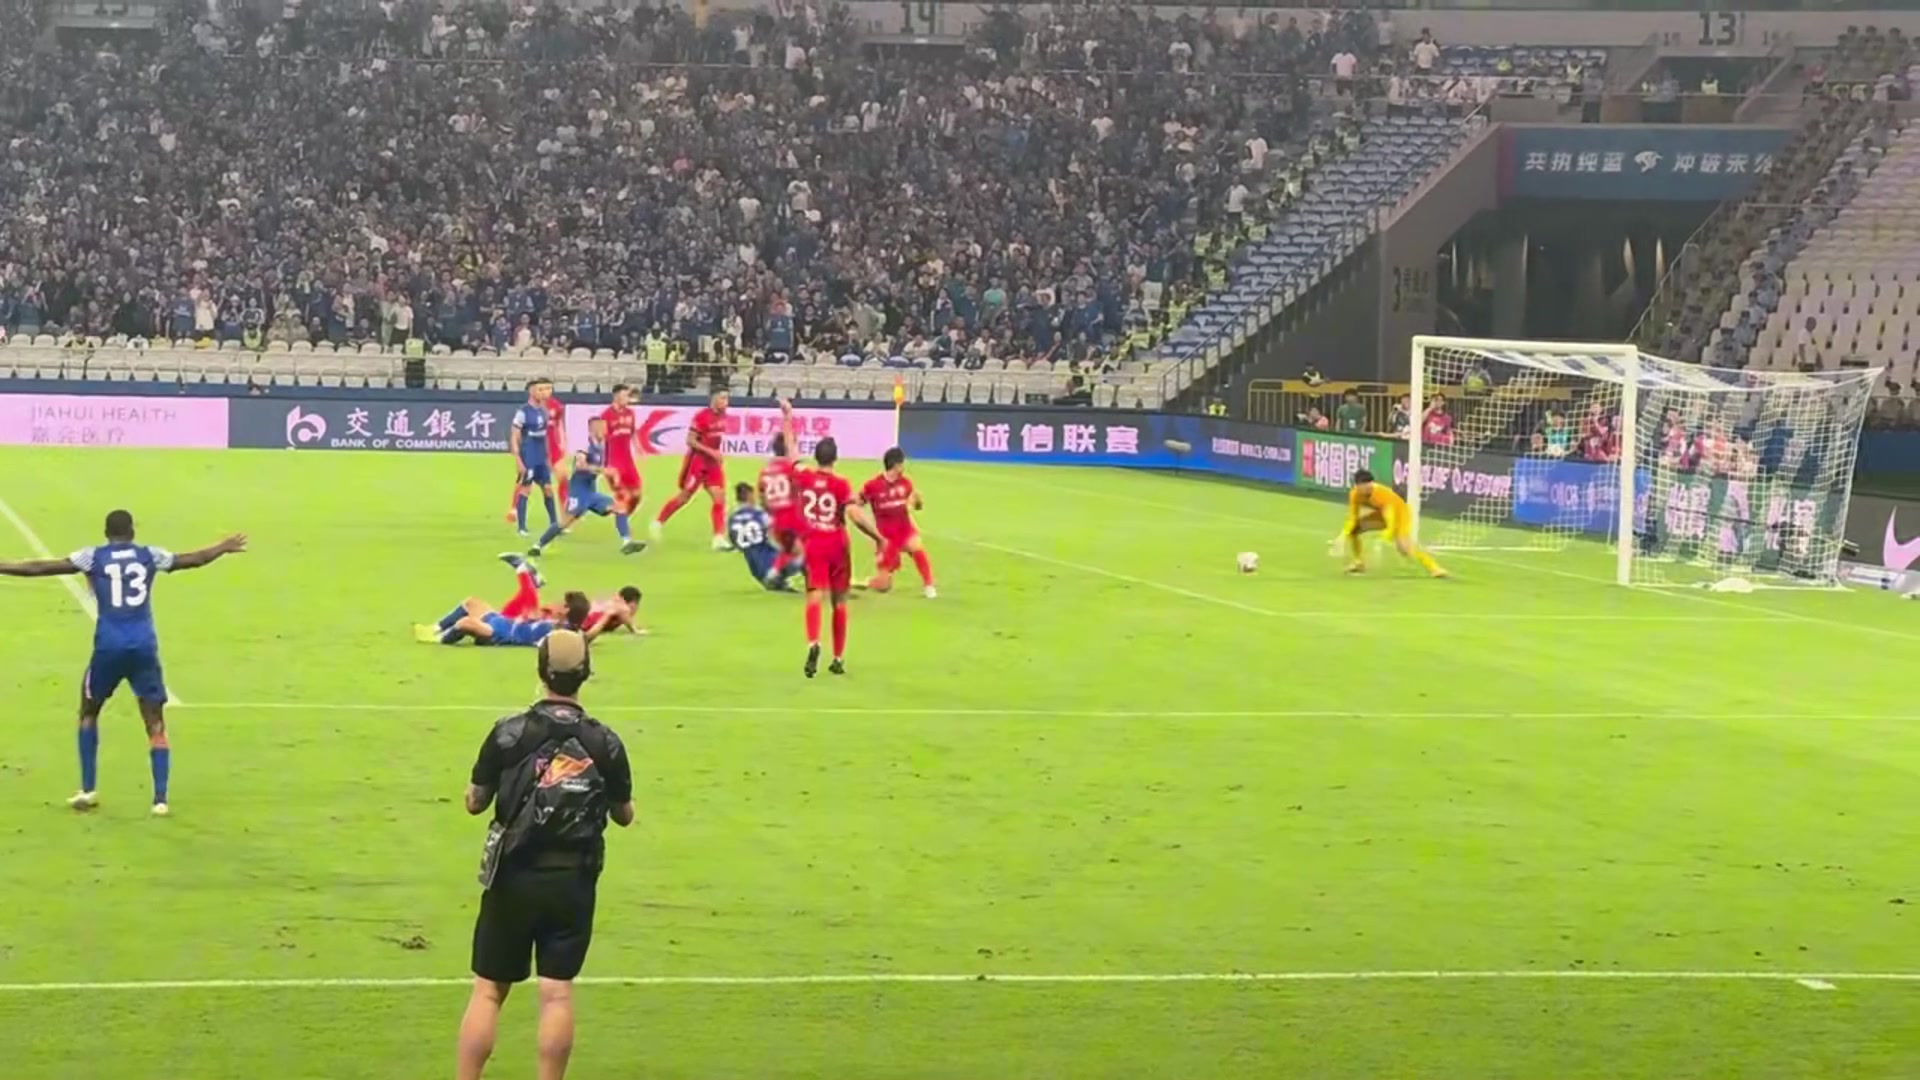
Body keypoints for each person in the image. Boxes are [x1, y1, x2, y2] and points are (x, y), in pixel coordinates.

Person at [456, 629, 633, 1080]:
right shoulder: (605, 742)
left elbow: (475, 802)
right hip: (573, 880)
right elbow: (624, 814)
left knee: (488, 991)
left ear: (541, 671)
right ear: (585, 675)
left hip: (513, 876)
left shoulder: (509, 733)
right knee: (557, 994)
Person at [0, 510, 246, 815]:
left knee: (89, 711)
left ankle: (88, 789)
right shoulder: (149, 555)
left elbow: (40, 568)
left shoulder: (92, 557)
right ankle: (160, 800)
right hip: (144, 645)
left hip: (109, 647)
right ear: (132, 531)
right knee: (154, 721)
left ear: (106, 533)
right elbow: (192, 560)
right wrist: (223, 547)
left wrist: (2, 565)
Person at [796, 437, 880, 677]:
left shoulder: (805, 478)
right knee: (839, 602)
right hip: (836, 544)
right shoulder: (841, 485)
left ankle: (814, 642)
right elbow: (854, 514)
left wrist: (788, 422)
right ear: (835, 458)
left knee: (814, 594)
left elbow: (793, 458)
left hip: (813, 543)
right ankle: (838, 658)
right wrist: (877, 537)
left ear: (816, 456)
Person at [531, 417, 642, 557]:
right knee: (564, 523)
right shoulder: (585, 447)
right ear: (592, 430)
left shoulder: (601, 448)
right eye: (600, 428)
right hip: (578, 493)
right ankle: (538, 546)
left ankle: (626, 543)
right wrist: (603, 470)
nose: (603, 431)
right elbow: (580, 466)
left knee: (620, 508)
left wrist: (613, 478)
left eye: (604, 428)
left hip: (592, 493)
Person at [651, 389, 730, 550]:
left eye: (727, 398)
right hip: (699, 463)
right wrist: (711, 452)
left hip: (713, 464)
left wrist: (716, 455)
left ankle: (718, 538)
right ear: (714, 399)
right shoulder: (702, 416)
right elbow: (690, 440)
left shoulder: (723, 416)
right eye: (723, 398)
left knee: (719, 498)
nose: (726, 402)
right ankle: (658, 522)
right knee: (685, 497)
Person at [1341, 469, 1447, 579]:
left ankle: (1434, 568)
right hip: (1381, 514)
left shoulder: (1382, 495)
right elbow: (1353, 517)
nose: (1369, 488)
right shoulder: (1354, 495)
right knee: (1354, 530)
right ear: (1357, 486)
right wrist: (1343, 535)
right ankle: (1359, 563)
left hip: (1400, 513)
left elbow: (1391, 521)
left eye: (1370, 485)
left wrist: (1384, 538)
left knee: (1404, 547)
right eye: (1365, 486)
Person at [858, 447, 935, 597]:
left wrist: (918, 502)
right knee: (883, 586)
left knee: (917, 548)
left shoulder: (906, 483)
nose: (904, 466)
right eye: (902, 463)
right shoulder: (873, 485)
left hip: (905, 530)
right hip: (886, 537)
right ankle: (865, 583)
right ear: (896, 465)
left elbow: (915, 505)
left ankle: (929, 586)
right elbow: (858, 502)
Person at [757, 399, 806, 583]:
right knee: (805, 550)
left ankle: (774, 573)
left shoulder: (765, 470)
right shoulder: (790, 468)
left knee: (789, 549)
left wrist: (770, 514)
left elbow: (762, 499)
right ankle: (784, 573)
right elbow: (800, 489)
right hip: (792, 516)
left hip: (776, 519)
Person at [509, 379, 563, 538]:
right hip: (529, 454)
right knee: (526, 489)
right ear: (532, 392)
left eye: (545, 389)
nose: (544, 393)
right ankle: (522, 527)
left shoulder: (543, 411)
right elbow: (514, 436)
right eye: (540, 390)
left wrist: (548, 457)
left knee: (548, 489)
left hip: (541, 456)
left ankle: (554, 525)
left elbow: (545, 436)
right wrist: (518, 459)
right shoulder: (523, 412)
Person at [728, 483, 804, 590]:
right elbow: (774, 537)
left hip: (755, 569)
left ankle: (778, 583)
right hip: (771, 564)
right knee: (804, 552)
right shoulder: (760, 514)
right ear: (749, 495)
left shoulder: (733, 518)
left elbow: (735, 541)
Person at [597, 385, 644, 550]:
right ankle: (626, 539)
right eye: (624, 396)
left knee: (637, 495)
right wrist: (602, 465)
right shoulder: (606, 415)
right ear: (616, 396)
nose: (627, 399)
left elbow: (633, 432)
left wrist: (639, 447)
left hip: (628, 461)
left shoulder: (630, 413)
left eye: (628, 396)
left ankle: (622, 518)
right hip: (613, 463)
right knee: (623, 497)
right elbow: (600, 439)